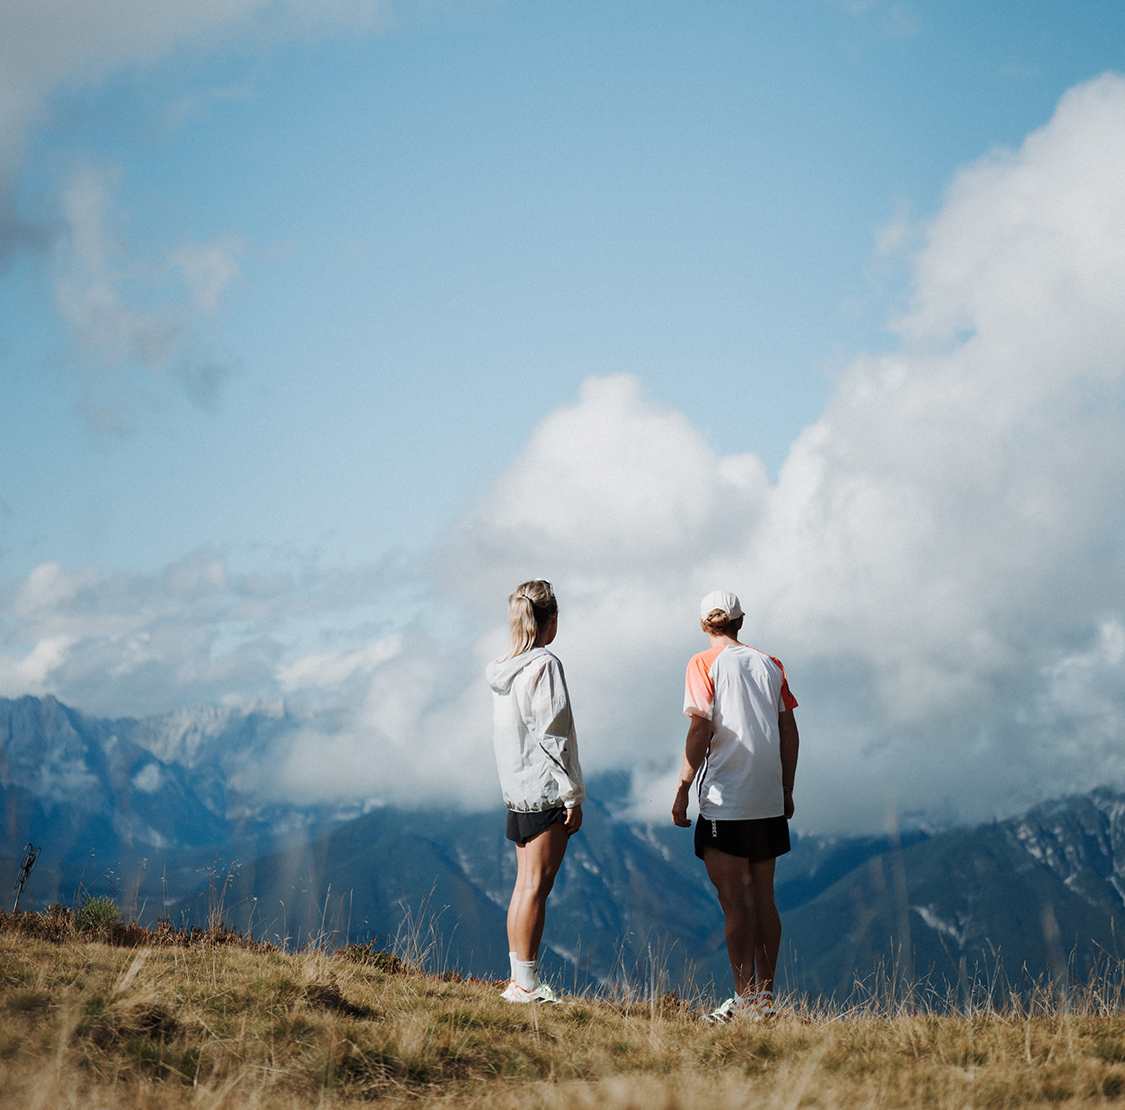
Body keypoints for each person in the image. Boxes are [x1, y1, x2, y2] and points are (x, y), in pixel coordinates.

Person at [672, 590, 799, 1023]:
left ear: (705, 626)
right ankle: (764, 998)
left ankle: (743, 1000)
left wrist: (683, 788)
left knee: (735, 904)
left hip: (725, 799)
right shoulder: (771, 664)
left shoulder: (702, 664)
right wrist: (786, 788)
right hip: (766, 797)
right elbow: (788, 729)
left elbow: (701, 728)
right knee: (765, 899)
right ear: (740, 623)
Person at [486, 579, 585, 1003]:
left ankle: (518, 980)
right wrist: (573, 795)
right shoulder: (544, 665)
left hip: (517, 789)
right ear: (552, 619)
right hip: (546, 790)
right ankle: (525, 985)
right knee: (536, 888)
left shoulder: (505, 671)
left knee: (523, 886)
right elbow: (553, 734)